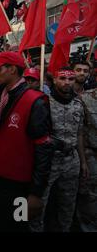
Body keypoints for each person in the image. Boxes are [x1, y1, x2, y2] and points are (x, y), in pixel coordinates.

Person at [0, 52, 53, 232]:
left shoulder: (34, 101)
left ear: (12, 69)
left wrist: (36, 193)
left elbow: (43, 148)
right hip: (4, 180)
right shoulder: (5, 96)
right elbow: (1, 138)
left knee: (15, 226)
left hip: (21, 186)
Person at [30, 67, 87, 232]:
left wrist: (83, 161)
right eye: (62, 78)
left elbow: (80, 134)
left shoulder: (78, 103)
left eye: (70, 79)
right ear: (54, 80)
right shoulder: (43, 101)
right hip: (47, 162)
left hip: (71, 161)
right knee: (38, 204)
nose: (66, 82)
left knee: (68, 205)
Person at [75, 87, 97, 231]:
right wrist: (83, 161)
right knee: (89, 196)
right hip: (91, 155)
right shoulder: (85, 98)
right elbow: (79, 133)